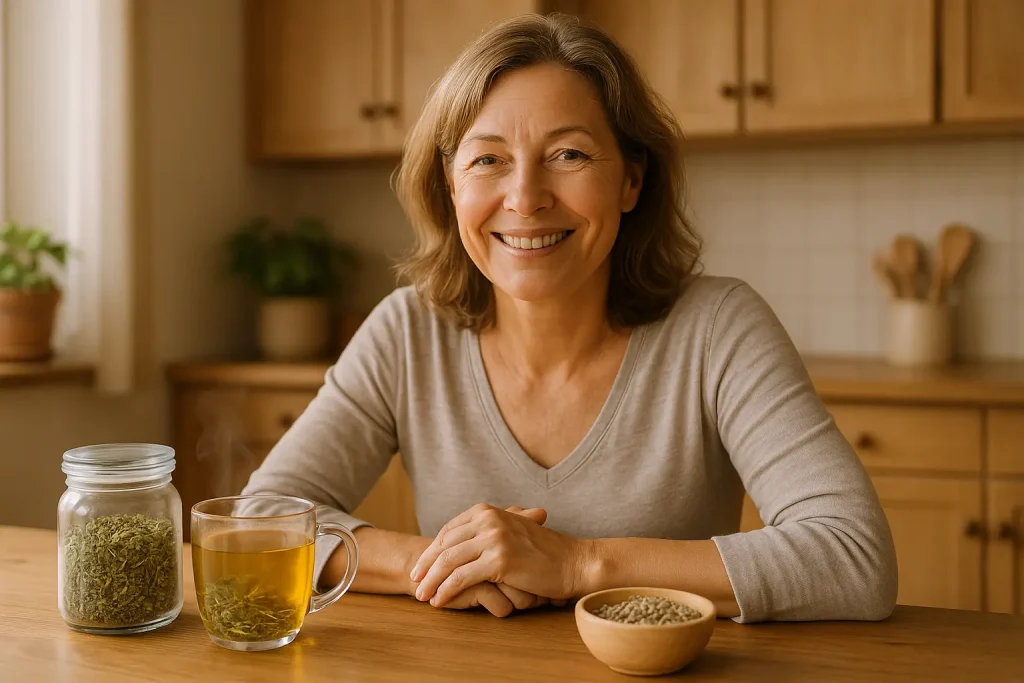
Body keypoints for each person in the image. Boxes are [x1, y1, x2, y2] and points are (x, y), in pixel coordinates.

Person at [242, 13, 897, 623]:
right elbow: (259, 521)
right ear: (450, 185)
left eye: (570, 155)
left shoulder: (719, 328)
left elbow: (853, 557)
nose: (525, 198)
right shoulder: (406, 332)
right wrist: (445, 563)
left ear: (632, 180)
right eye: (487, 159)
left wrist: (578, 562)